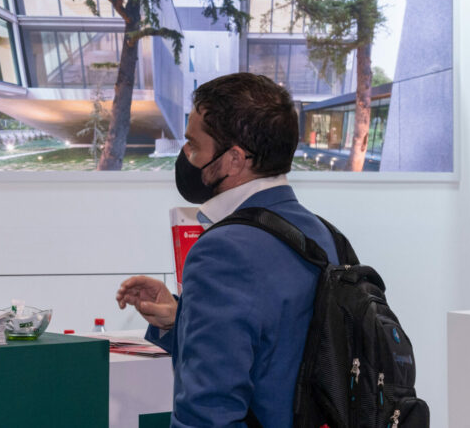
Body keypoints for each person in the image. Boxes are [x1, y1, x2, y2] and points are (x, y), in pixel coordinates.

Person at [116, 72, 340, 428]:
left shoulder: (223, 250)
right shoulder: (322, 234)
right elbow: (278, 355)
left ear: (234, 159)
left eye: (193, 145)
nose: (186, 156)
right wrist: (181, 318)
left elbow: (208, 411)